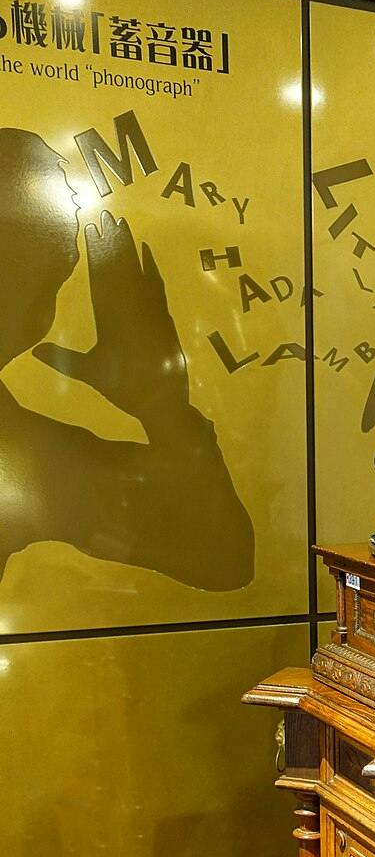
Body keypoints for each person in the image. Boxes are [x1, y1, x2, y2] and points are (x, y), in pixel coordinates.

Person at [0, 127, 254, 591]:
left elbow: (225, 559)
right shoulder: (21, 450)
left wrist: (163, 407)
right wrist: (164, 407)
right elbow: (223, 558)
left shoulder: (23, 449)